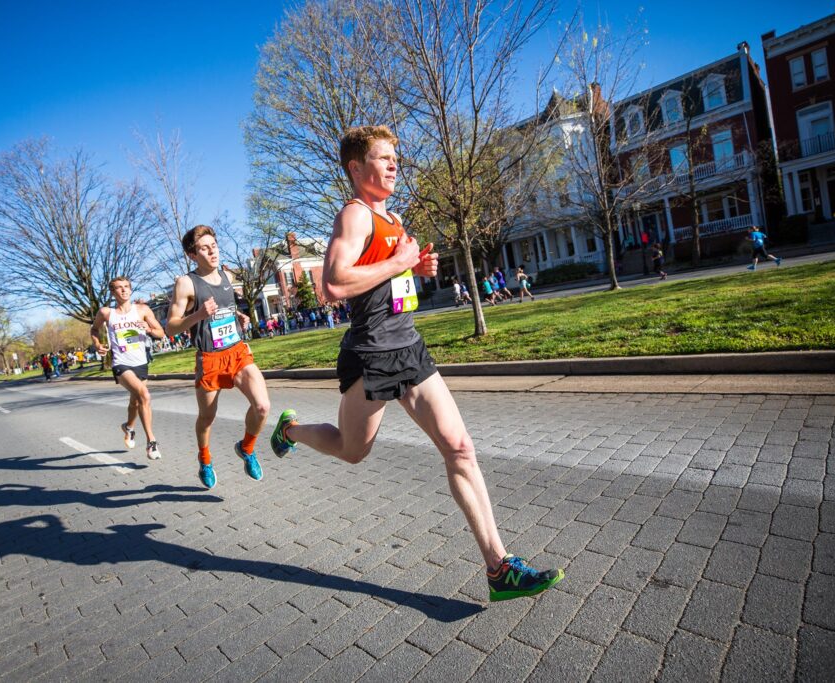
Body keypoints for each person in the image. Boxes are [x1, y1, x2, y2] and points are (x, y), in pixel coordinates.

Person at [270, 125, 564, 602]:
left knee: (460, 447)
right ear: (356, 168)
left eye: (395, 158)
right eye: (383, 158)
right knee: (351, 449)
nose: (393, 165)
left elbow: (388, 275)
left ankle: (499, 568)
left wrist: (414, 266)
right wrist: (398, 260)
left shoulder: (394, 218)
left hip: (408, 345)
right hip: (371, 354)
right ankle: (291, 431)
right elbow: (333, 285)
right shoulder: (355, 214)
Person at [166, 225, 270, 489]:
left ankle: (246, 449)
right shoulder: (186, 283)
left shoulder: (225, 275)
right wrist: (197, 315)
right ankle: (205, 459)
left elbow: (224, 309)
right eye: (204, 247)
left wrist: (238, 317)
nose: (212, 251)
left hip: (236, 352)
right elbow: (171, 326)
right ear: (192, 254)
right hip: (210, 359)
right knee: (207, 418)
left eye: (214, 245)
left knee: (262, 407)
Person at [90, 276, 166, 461]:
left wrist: (148, 329)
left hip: (140, 362)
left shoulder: (143, 310)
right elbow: (94, 330)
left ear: (131, 290)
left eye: (126, 287)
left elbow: (161, 333)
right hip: (121, 363)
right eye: (118, 288)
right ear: (113, 292)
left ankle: (129, 427)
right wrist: (97, 344)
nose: (123, 290)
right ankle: (151, 442)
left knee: (136, 401)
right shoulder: (107, 312)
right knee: (145, 395)